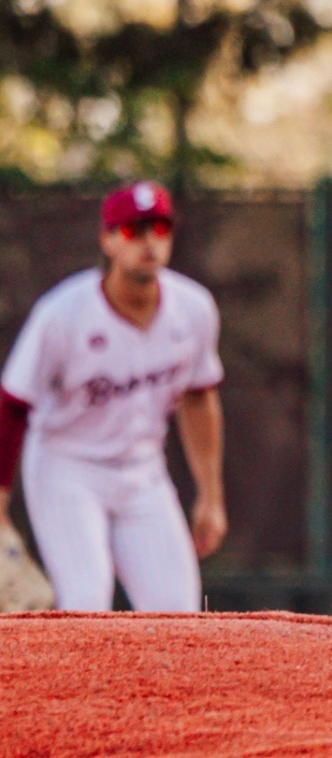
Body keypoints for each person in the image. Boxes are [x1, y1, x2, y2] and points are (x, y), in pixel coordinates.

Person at [0, 181, 228, 612]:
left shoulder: (194, 309)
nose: (148, 242)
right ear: (107, 239)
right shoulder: (63, 314)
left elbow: (199, 397)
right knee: (85, 602)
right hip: (67, 467)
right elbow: (13, 405)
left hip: (143, 472)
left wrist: (210, 495)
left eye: (159, 229)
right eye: (133, 230)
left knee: (178, 613)